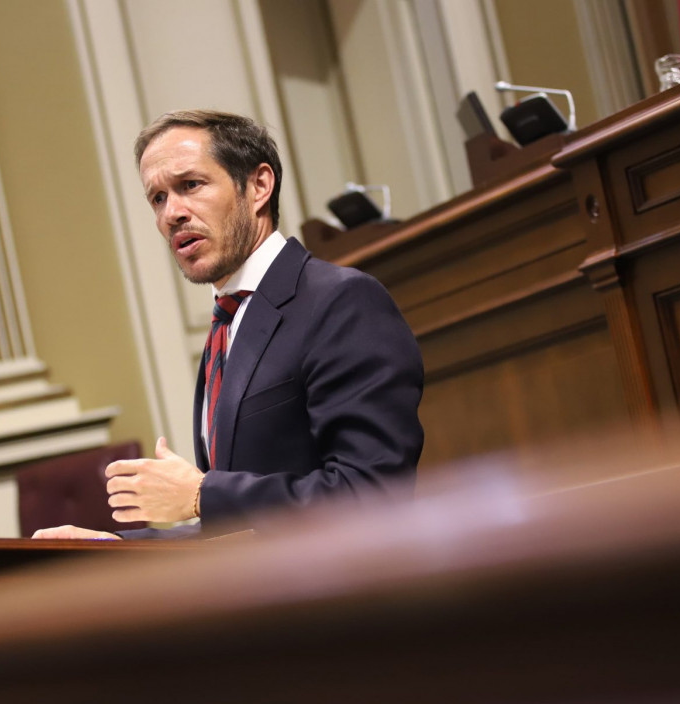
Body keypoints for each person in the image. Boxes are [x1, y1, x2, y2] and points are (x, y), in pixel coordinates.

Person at [35, 110, 423, 539]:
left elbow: (373, 495)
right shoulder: (229, 320)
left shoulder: (341, 301)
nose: (171, 214)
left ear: (258, 186)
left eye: (190, 185)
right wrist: (119, 549)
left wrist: (204, 495)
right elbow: (236, 531)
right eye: (158, 198)